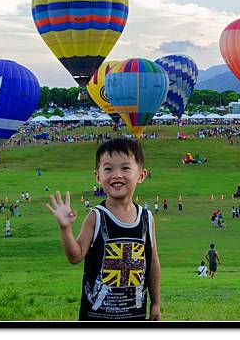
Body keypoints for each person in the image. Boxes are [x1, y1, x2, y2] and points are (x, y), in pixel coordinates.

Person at [44, 138, 161, 321]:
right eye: (108, 168)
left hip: (135, 315)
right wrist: (65, 228)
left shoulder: (147, 219)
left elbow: (153, 263)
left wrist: (155, 303)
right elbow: (75, 256)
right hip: (97, 317)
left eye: (125, 168)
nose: (116, 175)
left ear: (141, 174)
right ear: (98, 177)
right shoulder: (96, 217)